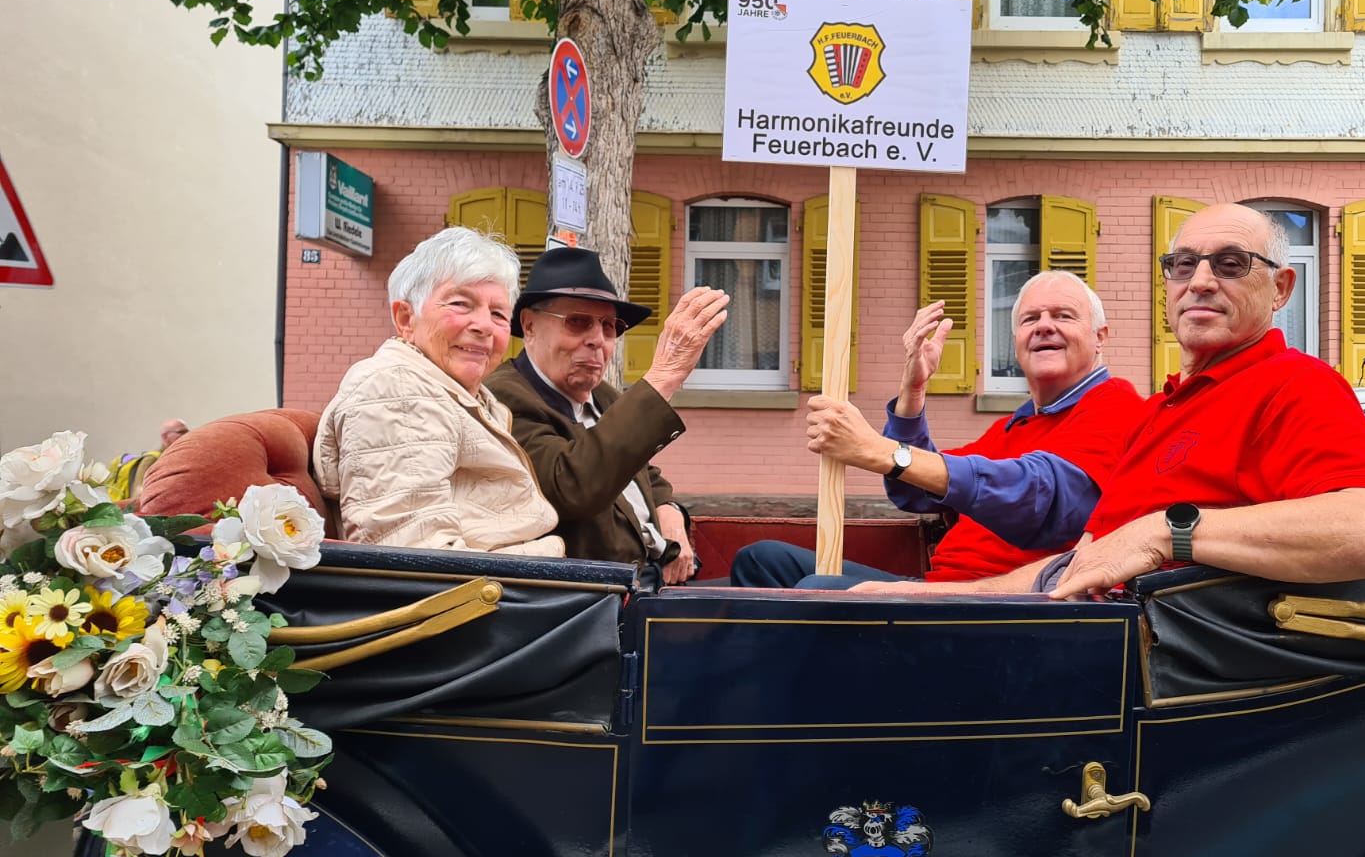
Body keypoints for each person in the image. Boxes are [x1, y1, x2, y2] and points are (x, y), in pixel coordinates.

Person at [855, 204, 1365, 599]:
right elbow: (1078, 566)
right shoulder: (1160, 411)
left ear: (1281, 289)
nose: (1199, 281)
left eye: (1230, 264)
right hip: (1054, 628)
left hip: (1128, 673)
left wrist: (1162, 532)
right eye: (1182, 265)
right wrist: (946, 600)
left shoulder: (1294, 382)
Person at [729, 270, 1145, 588]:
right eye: (1030, 318)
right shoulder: (1012, 427)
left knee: (815, 590)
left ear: (1099, 337)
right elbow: (915, 489)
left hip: (1003, 604)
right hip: (938, 590)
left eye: (1063, 316)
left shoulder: (1115, 404)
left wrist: (882, 451)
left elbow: (1042, 498)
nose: (1044, 326)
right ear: (1016, 339)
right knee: (762, 560)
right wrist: (913, 393)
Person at [484, 247, 729, 582]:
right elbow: (571, 486)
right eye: (578, 322)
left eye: (610, 326)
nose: (597, 340)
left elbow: (643, 471)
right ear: (529, 326)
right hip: (600, 600)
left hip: (659, 581)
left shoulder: (602, 395)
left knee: (764, 567)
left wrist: (670, 511)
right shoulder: (504, 398)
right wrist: (664, 376)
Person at [314, 227, 564, 555]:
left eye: (498, 314)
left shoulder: (462, 395)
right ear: (406, 318)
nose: (484, 326)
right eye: (461, 304)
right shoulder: (398, 390)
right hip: (497, 598)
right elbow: (412, 557)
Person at [109, 418, 190, 503]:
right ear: (165, 437)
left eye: (188, 432)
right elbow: (138, 492)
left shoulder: (171, 457)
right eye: (182, 432)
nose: (187, 435)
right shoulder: (152, 459)